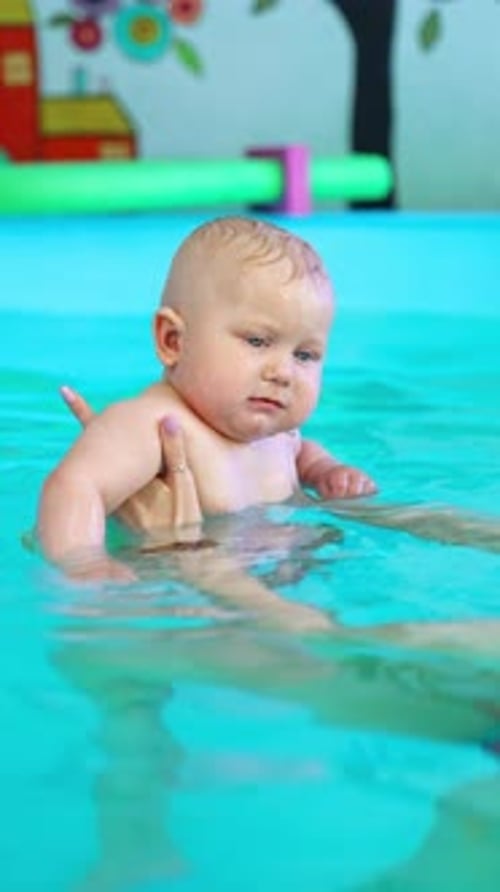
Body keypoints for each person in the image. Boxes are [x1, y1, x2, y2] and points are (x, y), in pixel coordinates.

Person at [36, 216, 376, 582]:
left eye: (305, 355)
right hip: (184, 598)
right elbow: (76, 485)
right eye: (258, 341)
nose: (284, 373)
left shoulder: (274, 432)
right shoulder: (155, 422)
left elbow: (300, 451)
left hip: (267, 581)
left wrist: (326, 472)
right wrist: (84, 563)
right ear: (173, 341)